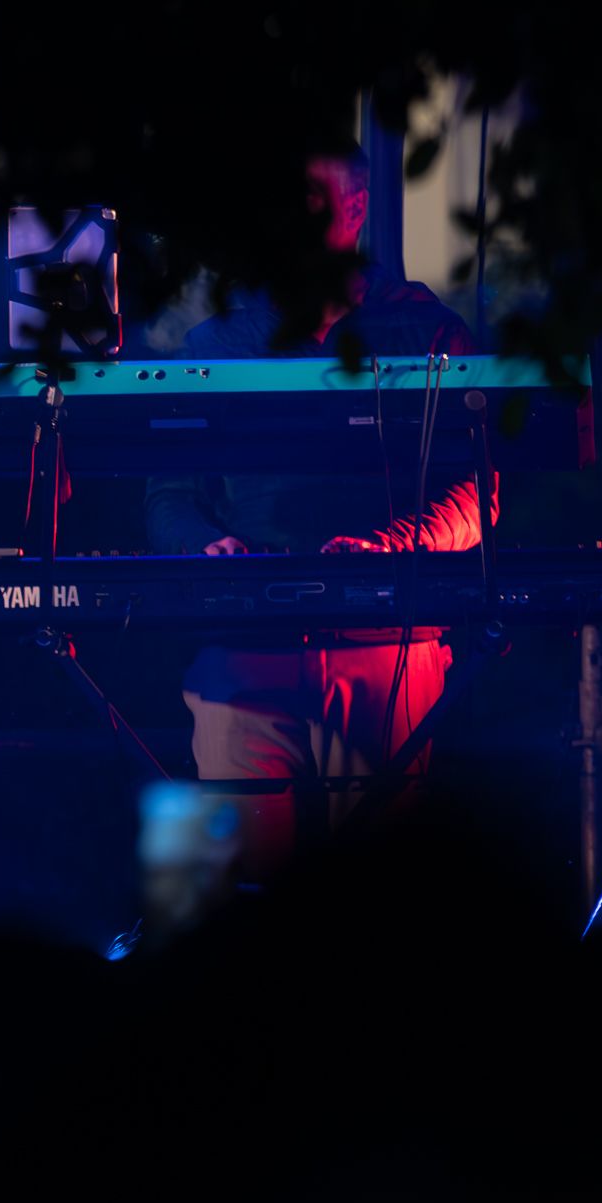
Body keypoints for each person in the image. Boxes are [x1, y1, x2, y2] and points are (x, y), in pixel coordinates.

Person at [144, 151, 485, 846]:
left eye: (309, 200)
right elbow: (170, 493)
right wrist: (202, 544)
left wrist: (390, 546)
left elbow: (475, 495)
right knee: (236, 893)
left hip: (389, 645)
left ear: (357, 211)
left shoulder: (427, 332)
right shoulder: (218, 342)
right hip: (244, 650)